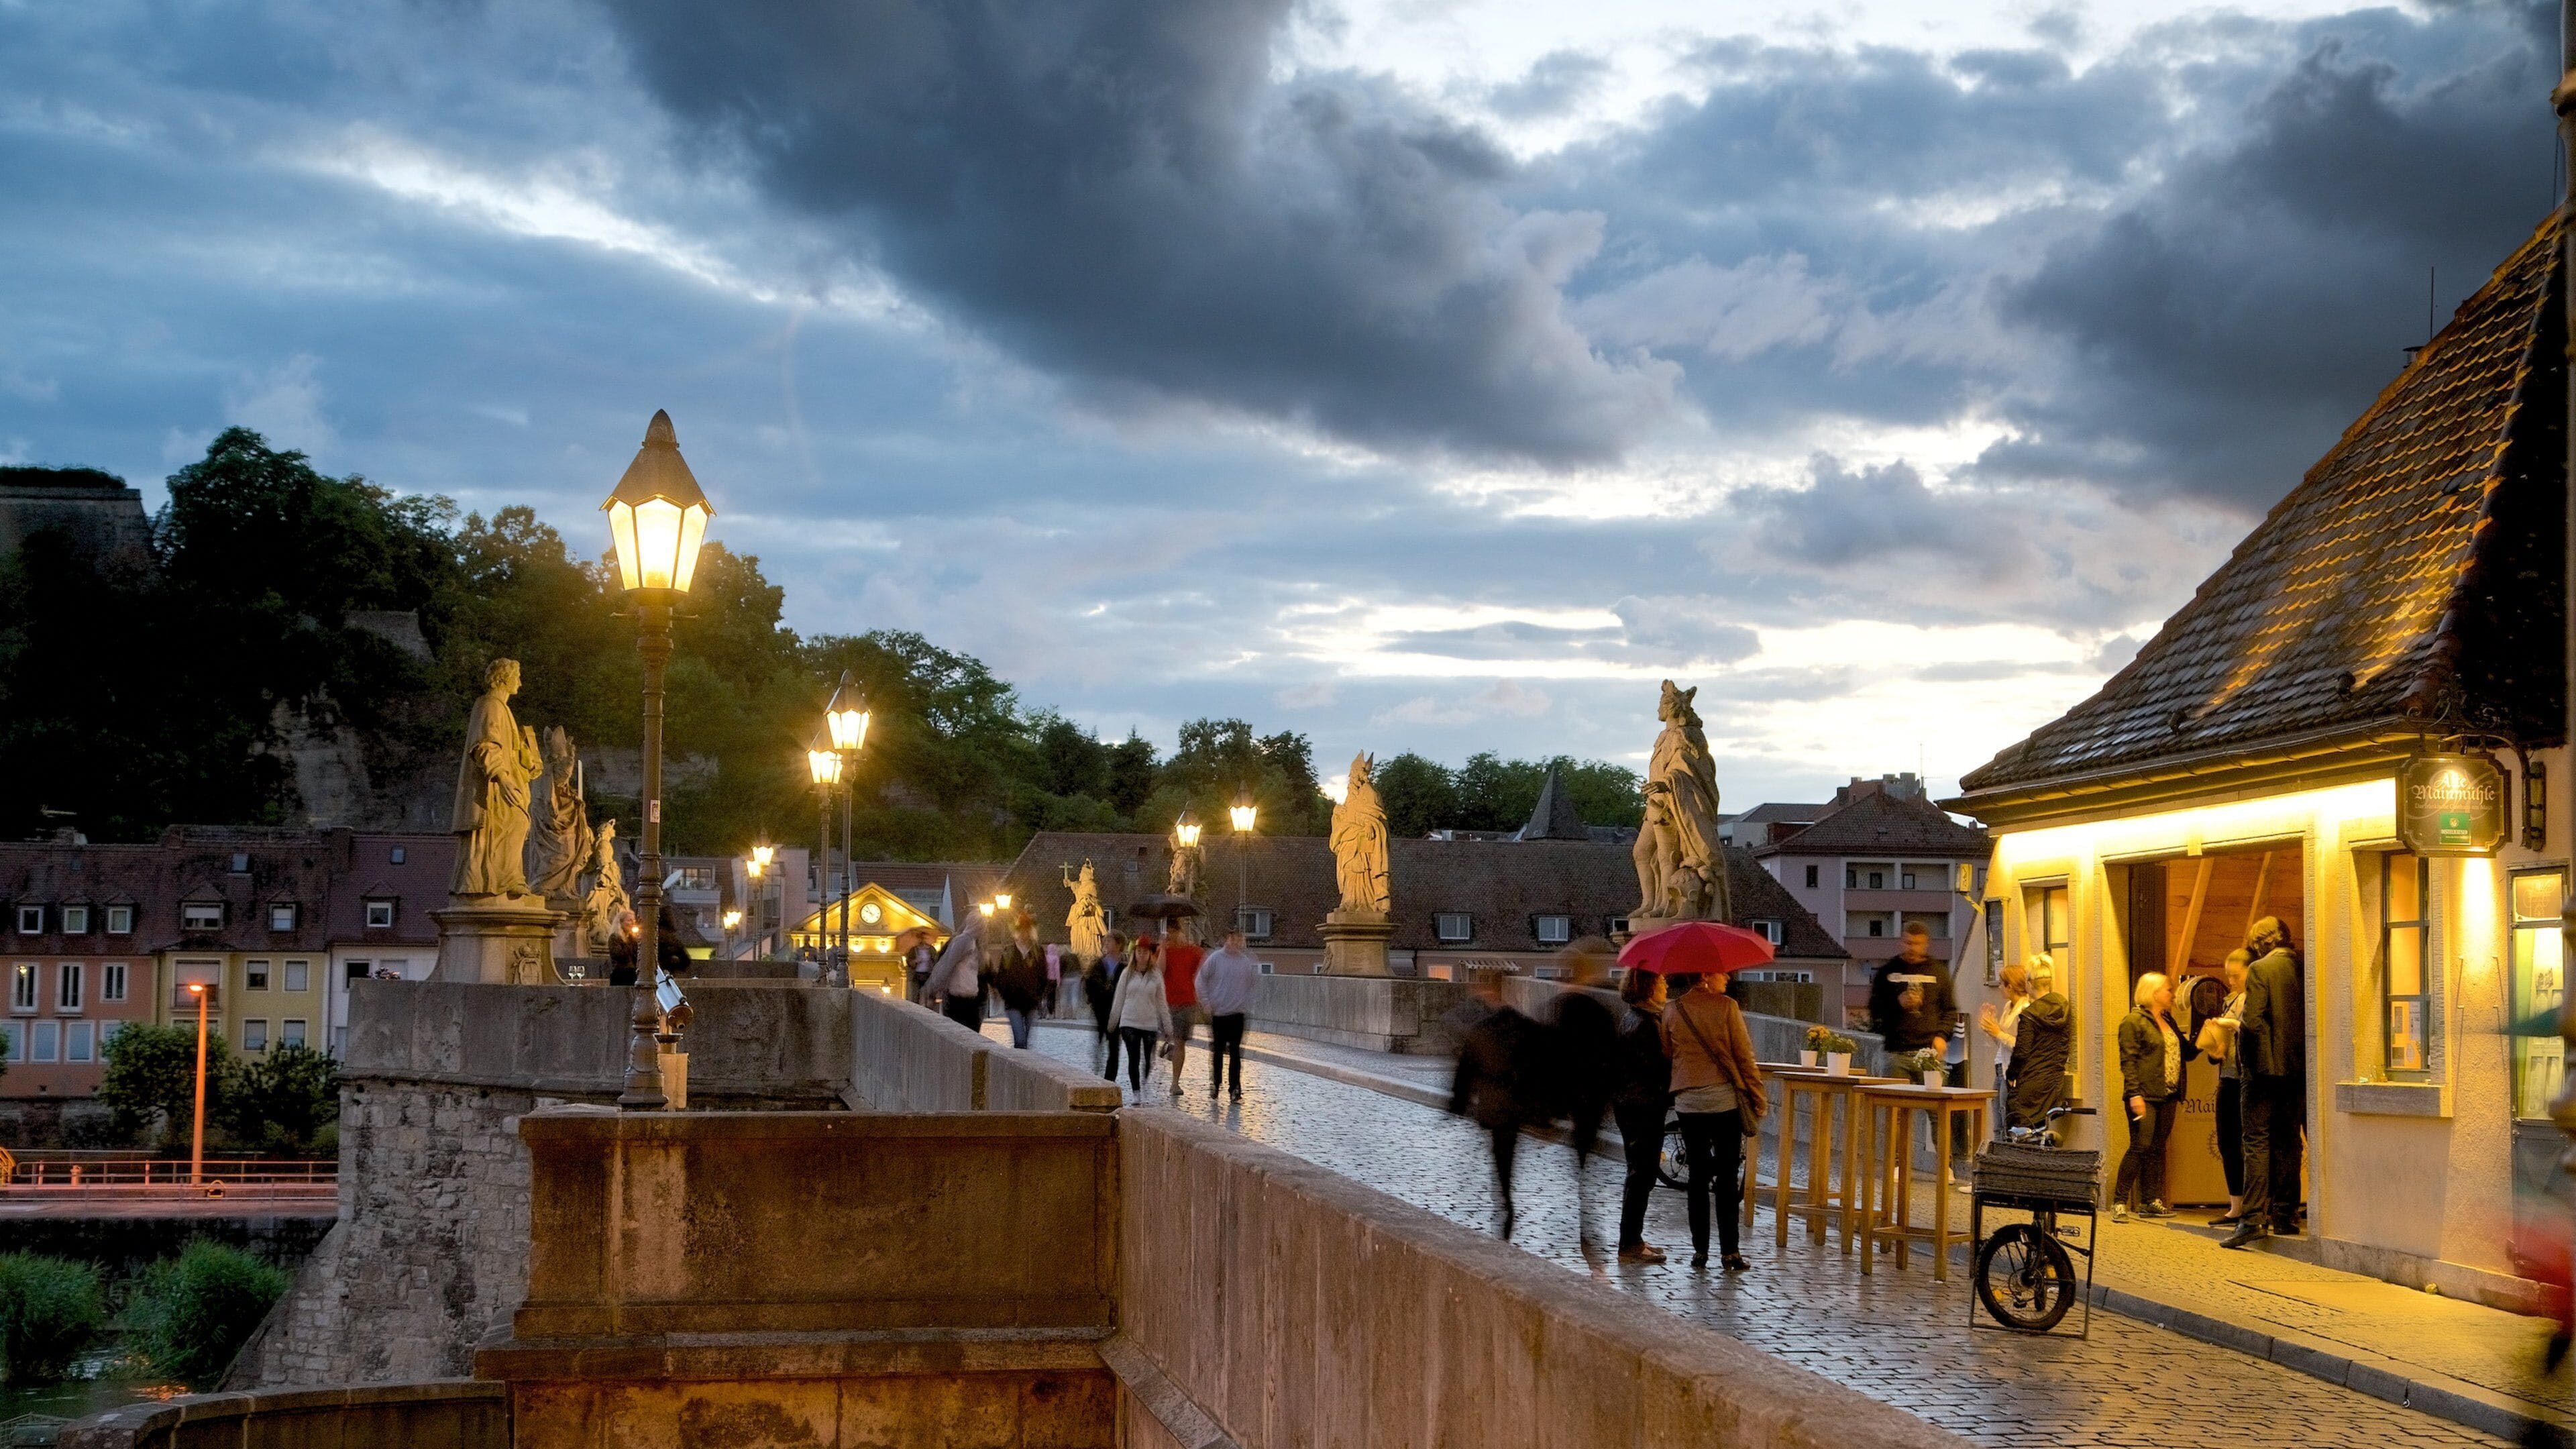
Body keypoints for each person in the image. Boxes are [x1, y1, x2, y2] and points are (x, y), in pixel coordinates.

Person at [1660, 969, 1765, 1272]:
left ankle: (1700, 1251)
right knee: (1727, 1175)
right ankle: (1730, 1252)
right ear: (1706, 974)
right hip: (1723, 1102)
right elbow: (1744, 1056)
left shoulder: (1672, 1009)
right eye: (1722, 973)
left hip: (1688, 1103)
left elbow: (1668, 1053)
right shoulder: (1727, 1007)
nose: (1727, 979)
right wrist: (1757, 1096)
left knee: (1697, 1175)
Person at [2225, 916, 2306, 1250]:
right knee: (2289, 1141)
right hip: (2297, 1071)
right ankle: (2286, 1216)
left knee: (2256, 1142)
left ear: (2261, 943)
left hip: (2262, 1072)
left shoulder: (2261, 969)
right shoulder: (2304, 967)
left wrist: (2247, 1064)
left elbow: (2253, 1022)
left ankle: (2252, 1218)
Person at [1448, 973, 1544, 1239]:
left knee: (1500, 1151)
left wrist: (1457, 1104)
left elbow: (1465, 1071)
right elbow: (1539, 1067)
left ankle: (1503, 1194)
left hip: (1493, 1102)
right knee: (1506, 1149)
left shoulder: (1481, 1030)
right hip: (1516, 1101)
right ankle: (1505, 1192)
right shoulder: (1524, 1025)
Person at [1546, 941, 1621, 1248]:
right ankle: (1584, 1207)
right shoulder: (1599, 1009)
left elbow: (1549, 1055)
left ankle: (1580, 1203)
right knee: (1585, 1151)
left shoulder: (1558, 1007)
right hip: (1594, 1093)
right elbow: (1612, 1054)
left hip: (1573, 1092)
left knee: (1581, 1151)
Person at [2113, 971, 2194, 1221]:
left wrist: (2206, 1036)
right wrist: (2134, 1094)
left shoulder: (2168, 1020)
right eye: (2168, 990)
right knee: (2141, 1146)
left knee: (2158, 1148)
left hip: (2169, 1094)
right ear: (2154, 993)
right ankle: (2119, 1201)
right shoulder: (2133, 1021)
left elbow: (2187, 1052)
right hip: (2144, 1094)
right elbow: (2128, 1061)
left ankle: (2151, 1200)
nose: (2172, 994)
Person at [1611, 967, 1674, 1264]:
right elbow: (1656, 1070)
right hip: (1644, 1106)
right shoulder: (1647, 1024)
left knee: (1639, 1172)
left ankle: (1633, 1238)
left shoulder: (1632, 1017)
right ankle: (1630, 1243)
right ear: (1649, 987)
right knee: (1642, 1174)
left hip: (1631, 1104)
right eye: (1661, 981)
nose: (1666, 986)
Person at [2197, 951, 2251, 1226]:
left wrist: (2232, 1024)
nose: (2230, 981)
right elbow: (2223, 1047)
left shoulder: (2255, 998)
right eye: (2228, 975)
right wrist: (2215, 1048)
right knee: (2227, 1142)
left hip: (2248, 1079)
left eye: (2235, 975)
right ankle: (2236, 1206)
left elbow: (2256, 1032)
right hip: (2228, 1077)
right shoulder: (2231, 1000)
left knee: (2249, 1144)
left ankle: (2254, 1206)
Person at [2006, 954, 2074, 1132]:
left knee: (2021, 1133)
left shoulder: (2029, 1016)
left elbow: (2021, 1052)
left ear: (2029, 984)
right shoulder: (2064, 1007)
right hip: (2054, 1082)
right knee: (2043, 1131)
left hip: (2031, 1082)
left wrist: (2011, 1075)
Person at [1197, 928, 1260, 1100]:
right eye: (1232, 939)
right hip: (1218, 1013)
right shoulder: (1215, 959)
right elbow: (1200, 980)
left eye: (1238, 939)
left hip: (1238, 1013)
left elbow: (1251, 985)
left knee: (1236, 1052)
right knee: (1217, 1050)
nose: (1234, 943)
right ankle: (1216, 1083)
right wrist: (1206, 1002)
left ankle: (1235, 1087)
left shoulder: (1245, 962)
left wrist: (1247, 1004)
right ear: (1226, 940)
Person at [1106, 937, 1173, 1096]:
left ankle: (1146, 1074)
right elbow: (1119, 999)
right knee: (1133, 1058)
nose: (1142, 955)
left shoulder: (1155, 975)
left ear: (1150, 955)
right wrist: (1112, 1023)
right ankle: (1136, 1091)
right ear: (1134, 953)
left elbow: (1161, 1002)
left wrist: (1168, 1026)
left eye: (1145, 952)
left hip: (1149, 1022)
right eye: (1139, 952)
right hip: (1129, 1022)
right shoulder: (1127, 974)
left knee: (1148, 1058)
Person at [1976, 960, 2032, 1141]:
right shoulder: (2009, 1007)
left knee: (2006, 1118)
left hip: (2012, 1070)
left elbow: (2021, 1045)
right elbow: (2002, 1041)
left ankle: (2004, 1152)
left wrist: (1998, 1032)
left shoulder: (2025, 1010)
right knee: (1997, 1118)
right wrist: (1990, 1027)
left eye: (2002, 984)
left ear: (2010, 986)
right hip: (2001, 1065)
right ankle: (1998, 1152)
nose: (1999, 987)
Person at [1161, 928, 1205, 1097]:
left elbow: (1206, 968)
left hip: (1187, 1002)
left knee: (1180, 1042)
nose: (1175, 936)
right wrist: (1163, 949)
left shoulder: (1193, 952)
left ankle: (1175, 1082)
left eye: (1178, 932)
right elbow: (1159, 971)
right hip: (1166, 1002)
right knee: (1169, 1038)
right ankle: (1167, 1046)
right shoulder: (1165, 951)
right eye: (1172, 933)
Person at [991, 915, 1046, 1048]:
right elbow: (1001, 976)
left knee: (1026, 1039)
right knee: (1020, 1039)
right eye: (1021, 930)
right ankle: (1018, 1057)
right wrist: (1005, 994)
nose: (1024, 934)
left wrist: (1039, 994)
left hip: (1031, 1001)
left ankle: (1022, 1059)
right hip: (1013, 1002)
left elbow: (1043, 975)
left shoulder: (1037, 952)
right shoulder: (1009, 952)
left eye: (1027, 930)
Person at [926, 924, 985, 1033]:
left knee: (967, 1032)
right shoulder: (963, 945)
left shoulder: (980, 949)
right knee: (961, 1031)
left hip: (974, 998)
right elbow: (943, 969)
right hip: (957, 997)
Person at [1085, 932, 1128, 1077]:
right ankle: (1097, 1067)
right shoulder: (1098, 964)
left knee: (1114, 1046)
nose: (1106, 944)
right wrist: (1093, 999)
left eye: (1110, 941)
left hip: (1117, 1011)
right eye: (1106, 941)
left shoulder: (1125, 967)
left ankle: (1110, 1078)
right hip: (1100, 1009)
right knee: (1099, 1039)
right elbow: (1089, 983)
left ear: (1119, 945)